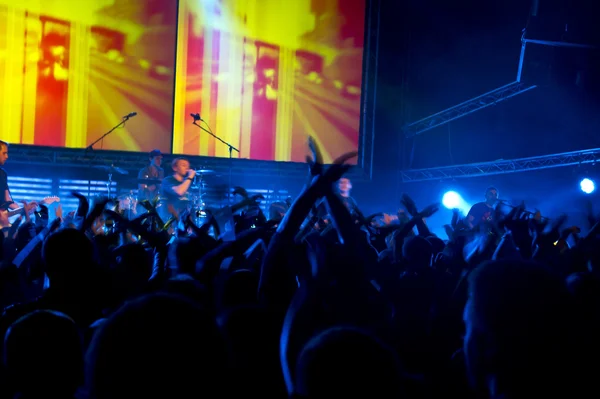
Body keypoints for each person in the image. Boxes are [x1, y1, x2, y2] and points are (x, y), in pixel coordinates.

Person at [0, 140, 20, 211]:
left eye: (7, 153)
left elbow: (7, 200)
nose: (7, 156)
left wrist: (23, 209)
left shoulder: (3, 174)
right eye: (4, 153)